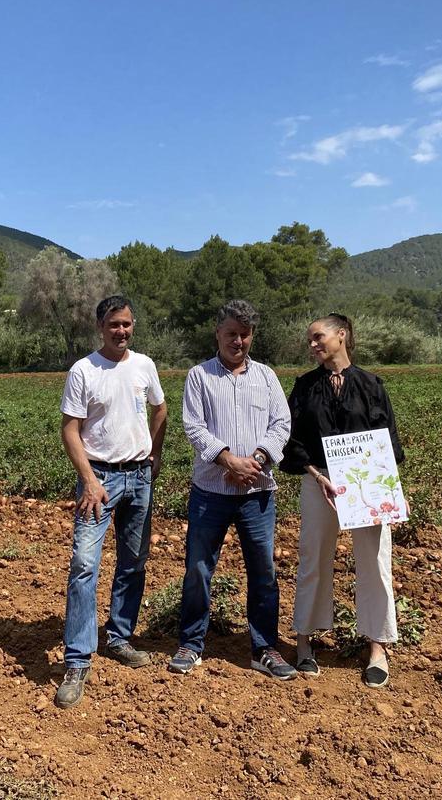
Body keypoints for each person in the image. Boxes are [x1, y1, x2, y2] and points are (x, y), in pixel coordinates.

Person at [169, 300, 295, 679]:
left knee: (263, 572)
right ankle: (191, 644)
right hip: (211, 492)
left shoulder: (267, 377)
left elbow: (281, 425)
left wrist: (255, 460)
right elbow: (194, 427)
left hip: (257, 493)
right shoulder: (199, 377)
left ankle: (264, 648)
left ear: (251, 336)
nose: (237, 341)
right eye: (231, 334)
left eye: (244, 334)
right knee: (198, 569)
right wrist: (228, 460)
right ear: (218, 334)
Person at [54, 295, 168, 709]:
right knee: (85, 564)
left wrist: (155, 456)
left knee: (134, 560)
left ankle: (118, 638)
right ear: (101, 327)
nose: (122, 331)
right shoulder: (83, 370)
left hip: (139, 476)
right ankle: (78, 659)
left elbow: (161, 409)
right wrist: (88, 480)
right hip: (99, 479)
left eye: (128, 324)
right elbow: (70, 430)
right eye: (115, 324)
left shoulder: (144, 365)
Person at [280, 313, 404, 688]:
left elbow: (388, 441)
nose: (313, 344)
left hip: (365, 486)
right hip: (320, 483)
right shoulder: (304, 387)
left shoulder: (370, 385)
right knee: (313, 557)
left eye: (318, 337)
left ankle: (377, 646)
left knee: (375, 562)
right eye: (310, 340)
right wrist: (318, 476)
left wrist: (391, 493)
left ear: (341, 336)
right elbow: (292, 440)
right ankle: (304, 640)